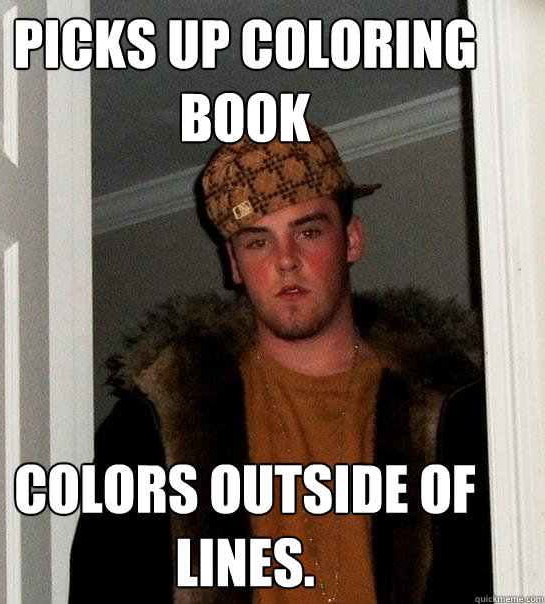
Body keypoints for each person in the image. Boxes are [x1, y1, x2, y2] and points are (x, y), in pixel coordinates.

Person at [69, 124, 491, 603]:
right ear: (234, 263)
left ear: (351, 240)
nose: (286, 260)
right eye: (258, 242)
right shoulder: (154, 423)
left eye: (308, 232)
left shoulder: (459, 410)